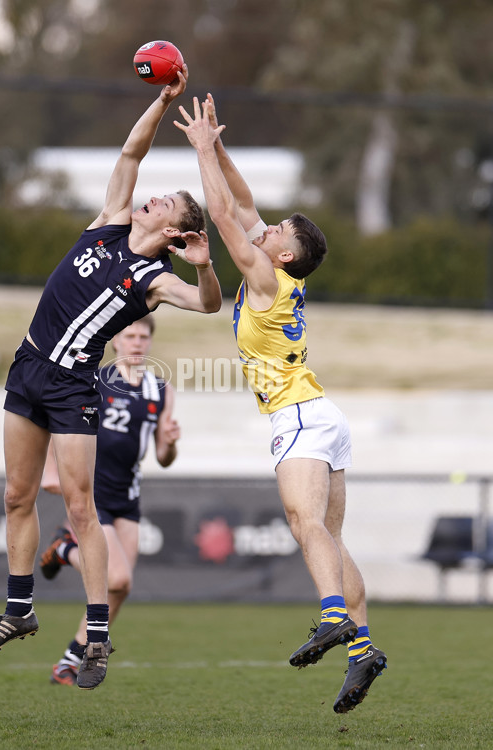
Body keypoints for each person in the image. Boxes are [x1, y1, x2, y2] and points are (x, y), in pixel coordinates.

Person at [0, 69, 221, 692]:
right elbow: (131, 152)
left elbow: (211, 306)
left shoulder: (156, 278)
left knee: (82, 509)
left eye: (165, 202)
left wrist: (206, 264)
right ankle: (20, 610)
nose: (153, 196)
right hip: (27, 367)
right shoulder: (109, 220)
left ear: (173, 231)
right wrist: (161, 102)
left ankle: (97, 639)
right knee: (15, 496)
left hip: (74, 387)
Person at [174, 94, 386, 713]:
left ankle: (331, 618)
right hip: (322, 412)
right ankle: (362, 651)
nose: (261, 229)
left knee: (306, 525)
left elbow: (219, 212)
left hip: (297, 416)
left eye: (274, 233)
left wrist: (198, 156)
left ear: (284, 254)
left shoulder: (265, 276)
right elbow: (240, 203)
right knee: (332, 537)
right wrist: (216, 145)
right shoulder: (277, 270)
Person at [38, 315, 179, 685]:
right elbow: (61, 425)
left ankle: (69, 660)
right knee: (113, 574)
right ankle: (65, 547)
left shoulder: (160, 390)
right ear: (115, 341)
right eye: (129, 336)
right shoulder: (95, 380)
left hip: (128, 497)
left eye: (143, 337)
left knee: (120, 586)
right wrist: (53, 471)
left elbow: (163, 458)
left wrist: (171, 441)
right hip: (93, 492)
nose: (136, 343)